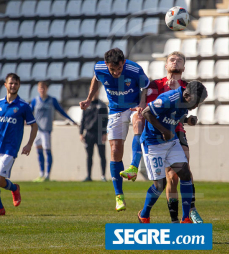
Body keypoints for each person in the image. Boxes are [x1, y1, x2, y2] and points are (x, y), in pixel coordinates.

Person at [79, 48, 149, 212]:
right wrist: (89, 99)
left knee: (139, 123)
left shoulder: (134, 69)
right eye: (113, 70)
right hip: (115, 110)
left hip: (133, 107)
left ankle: (133, 167)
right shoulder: (100, 68)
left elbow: (146, 86)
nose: (116, 72)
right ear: (106, 65)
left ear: (123, 63)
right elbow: (95, 80)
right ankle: (119, 196)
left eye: (119, 68)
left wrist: (142, 104)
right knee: (115, 151)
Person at [137, 81, 207, 224]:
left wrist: (187, 119)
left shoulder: (185, 102)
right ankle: (144, 215)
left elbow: (173, 115)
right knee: (160, 185)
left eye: (198, 104)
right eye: (195, 102)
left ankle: (186, 218)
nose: (195, 106)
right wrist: (165, 131)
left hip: (171, 142)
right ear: (187, 94)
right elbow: (146, 112)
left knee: (185, 173)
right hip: (153, 143)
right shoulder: (169, 98)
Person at [146, 51, 203, 223]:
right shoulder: (155, 85)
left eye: (179, 60)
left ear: (183, 67)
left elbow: (183, 112)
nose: (175, 62)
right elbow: (150, 110)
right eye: (172, 59)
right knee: (170, 177)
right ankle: (174, 218)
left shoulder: (188, 87)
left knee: (183, 170)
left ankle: (191, 210)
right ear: (166, 65)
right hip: (159, 131)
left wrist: (188, 119)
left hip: (177, 129)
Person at [0, 73, 38, 216]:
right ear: (5, 85)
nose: (13, 86)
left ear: (19, 85)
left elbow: (34, 126)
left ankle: (15, 188)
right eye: (11, 83)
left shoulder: (23, 106)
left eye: (16, 83)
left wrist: (29, 144)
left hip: (10, 147)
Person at [30, 81, 77, 182]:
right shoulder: (35, 101)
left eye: (44, 88)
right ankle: (41, 174)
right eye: (40, 88)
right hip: (36, 130)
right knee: (39, 151)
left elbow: (61, 111)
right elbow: (29, 112)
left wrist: (71, 120)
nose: (42, 90)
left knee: (47, 151)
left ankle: (47, 175)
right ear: (38, 89)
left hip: (46, 130)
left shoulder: (52, 100)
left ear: (46, 89)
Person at [80, 91, 108, 182]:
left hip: (100, 133)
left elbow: (105, 120)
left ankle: (103, 176)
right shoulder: (86, 105)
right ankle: (89, 176)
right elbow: (83, 119)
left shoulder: (102, 105)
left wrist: (104, 133)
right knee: (89, 155)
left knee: (102, 155)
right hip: (89, 133)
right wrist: (81, 133)